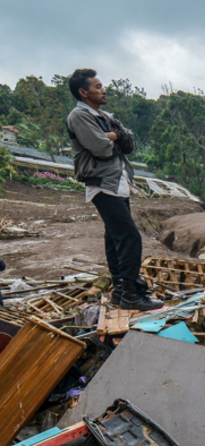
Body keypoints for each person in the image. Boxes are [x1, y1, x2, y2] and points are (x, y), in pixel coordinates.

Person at [66, 68, 162, 311]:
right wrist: (115, 138)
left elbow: (129, 141)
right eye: (97, 87)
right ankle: (131, 293)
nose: (103, 90)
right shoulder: (79, 116)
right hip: (102, 183)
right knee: (130, 237)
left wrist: (114, 136)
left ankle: (120, 291)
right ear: (83, 92)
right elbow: (101, 148)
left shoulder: (105, 116)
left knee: (114, 238)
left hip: (118, 183)